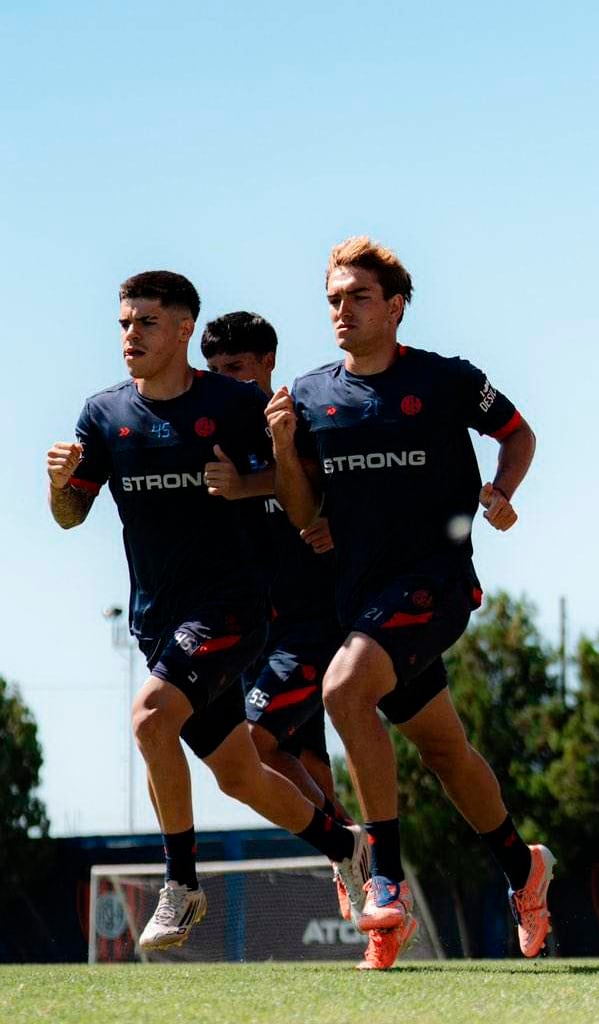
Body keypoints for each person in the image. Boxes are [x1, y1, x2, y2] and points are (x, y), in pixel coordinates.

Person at [46, 272, 367, 953]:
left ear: (185, 327)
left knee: (150, 717)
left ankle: (182, 885)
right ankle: (345, 844)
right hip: (157, 621)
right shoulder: (102, 415)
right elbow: (72, 515)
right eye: (125, 323)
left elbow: (297, 486)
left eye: (146, 323)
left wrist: (262, 468)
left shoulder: (233, 403)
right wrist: (58, 486)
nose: (130, 335)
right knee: (238, 771)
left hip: (234, 606)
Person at [266, 237, 552, 970]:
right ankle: (524, 868)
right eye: (332, 299)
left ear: (394, 308)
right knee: (445, 750)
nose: (342, 310)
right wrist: (282, 449)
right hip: (361, 604)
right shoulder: (307, 395)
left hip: (438, 585)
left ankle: (383, 874)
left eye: (357, 297)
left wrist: (501, 491)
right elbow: (303, 513)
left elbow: (518, 436)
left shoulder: (447, 380)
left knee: (342, 690)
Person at [202, 311, 355, 916]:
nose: (226, 380)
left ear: (268, 363)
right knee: (309, 765)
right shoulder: (208, 430)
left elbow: (343, 491)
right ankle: (359, 864)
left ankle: (351, 852)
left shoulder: (303, 425)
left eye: (236, 368)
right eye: (214, 371)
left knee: (256, 745)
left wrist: (332, 523)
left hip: (314, 625)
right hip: (251, 632)